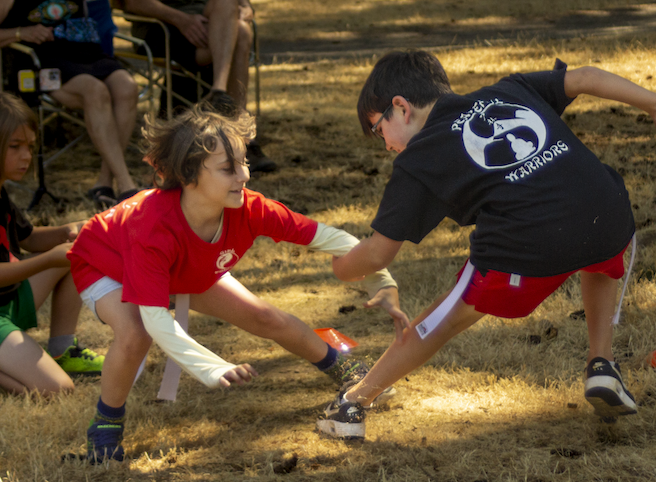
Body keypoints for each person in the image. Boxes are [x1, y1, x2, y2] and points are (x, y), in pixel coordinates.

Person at [315, 51, 656, 439]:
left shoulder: (418, 159)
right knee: (595, 247)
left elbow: (379, 253)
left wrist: (341, 266)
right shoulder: (509, 90)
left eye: (378, 130)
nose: (384, 145)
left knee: (441, 318)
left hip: (530, 241)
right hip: (609, 214)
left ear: (400, 108)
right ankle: (602, 363)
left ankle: (354, 403)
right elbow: (584, 77)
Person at [67, 107, 409, 463]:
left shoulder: (249, 209)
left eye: (244, 163)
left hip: (182, 268)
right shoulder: (151, 227)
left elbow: (326, 238)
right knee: (135, 334)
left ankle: (343, 368)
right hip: (106, 264)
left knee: (266, 317)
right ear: (188, 175)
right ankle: (106, 425)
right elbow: (155, 318)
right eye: (228, 168)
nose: (244, 175)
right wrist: (211, 368)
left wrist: (381, 280)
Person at [0, 93, 104, 395]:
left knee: (79, 251)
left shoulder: (2, 191)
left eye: (30, 147)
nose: (26, 156)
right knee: (57, 389)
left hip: (11, 301)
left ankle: (62, 349)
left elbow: (29, 237)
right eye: (15, 147)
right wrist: (48, 259)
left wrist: (67, 232)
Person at [0, 0, 141, 206]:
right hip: (44, 59)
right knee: (95, 91)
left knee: (127, 87)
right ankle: (126, 185)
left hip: (86, 53)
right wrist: (21, 32)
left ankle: (104, 182)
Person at [124, 0, 276, 172]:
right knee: (239, 33)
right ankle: (239, 134)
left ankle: (221, 98)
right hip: (162, 26)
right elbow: (134, 3)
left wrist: (246, 7)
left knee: (238, 25)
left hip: (212, 23)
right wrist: (183, 20)